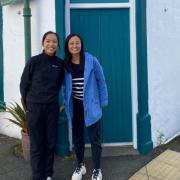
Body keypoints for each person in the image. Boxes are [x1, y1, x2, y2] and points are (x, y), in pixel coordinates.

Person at [20, 31, 64, 180]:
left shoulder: (59, 64)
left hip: (51, 108)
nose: (51, 44)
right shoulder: (34, 61)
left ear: (58, 45)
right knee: (37, 145)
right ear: (43, 43)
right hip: (35, 108)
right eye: (48, 41)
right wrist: (28, 106)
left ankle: (48, 174)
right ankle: (37, 176)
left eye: (54, 42)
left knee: (50, 143)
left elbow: (58, 86)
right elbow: (24, 85)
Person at [63, 34, 108, 180]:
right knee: (77, 137)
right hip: (75, 105)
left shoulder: (91, 60)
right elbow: (65, 87)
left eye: (77, 43)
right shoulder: (66, 64)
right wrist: (65, 101)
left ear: (81, 44)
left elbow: (101, 81)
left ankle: (97, 169)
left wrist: (102, 102)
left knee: (95, 138)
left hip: (91, 105)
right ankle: (80, 164)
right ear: (67, 46)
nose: (75, 46)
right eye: (71, 44)